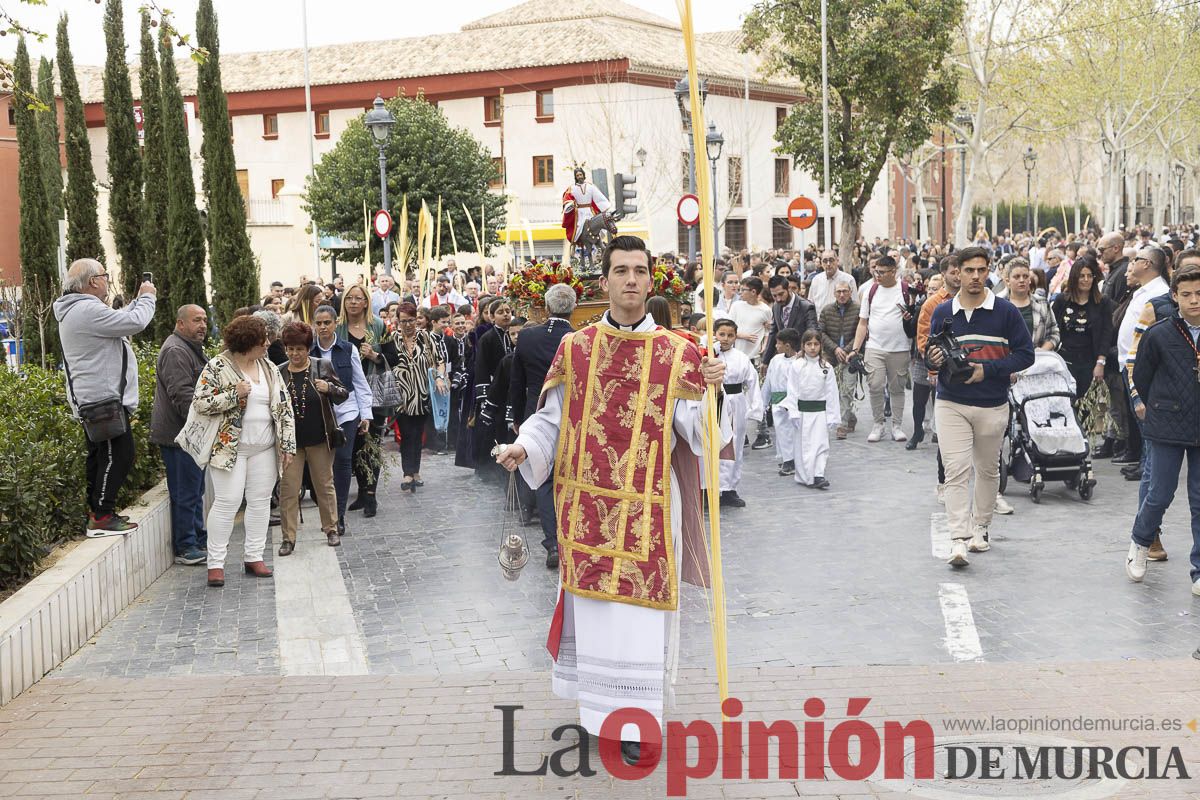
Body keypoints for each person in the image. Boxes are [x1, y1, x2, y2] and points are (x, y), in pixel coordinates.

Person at [495, 235, 727, 767]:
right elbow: (550, 419)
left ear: (651, 280)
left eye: (639, 271)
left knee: (638, 621)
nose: (629, 280)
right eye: (619, 270)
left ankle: (636, 723)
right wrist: (522, 446)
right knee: (598, 617)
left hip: (647, 510)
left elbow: (702, 437)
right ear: (604, 281)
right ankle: (599, 713)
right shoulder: (575, 348)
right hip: (584, 510)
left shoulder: (680, 351)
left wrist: (716, 388)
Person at [927, 247, 1035, 567]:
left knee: (988, 470)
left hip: (992, 403)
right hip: (951, 402)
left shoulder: (1005, 312)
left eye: (981, 270)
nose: (975, 277)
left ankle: (981, 527)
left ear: (988, 272)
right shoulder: (942, 311)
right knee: (956, 470)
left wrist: (986, 370)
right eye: (969, 270)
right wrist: (932, 359)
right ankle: (958, 538)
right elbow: (931, 353)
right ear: (956, 272)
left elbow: (1025, 355)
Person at [190, 315, 296, 587]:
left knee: (260, 501)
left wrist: (287, 444)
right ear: (249, 343)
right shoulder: (217, 366)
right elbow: (200, 404)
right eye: (264, 340)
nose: (269, 343)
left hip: (264, 448)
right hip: (229, 448)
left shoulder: (269, 367)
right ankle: (215, 564)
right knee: (227, 502)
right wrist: (232, 395)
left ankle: (254, 556)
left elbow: (284, 408)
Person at [54, 258, 156, 535]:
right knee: (119, 453)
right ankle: (101, 516)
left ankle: (98, 513)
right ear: (92, 282)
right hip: (102, 397)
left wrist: (136, 301)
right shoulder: (86, 309)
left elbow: (121, 321)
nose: (107, 279)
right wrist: (147, 298)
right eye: (104, 275)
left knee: (101, 456)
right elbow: (135, 322)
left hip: (96, 396)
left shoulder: (81, 309)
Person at [1124, 265, 1200, 593]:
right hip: (1167, 422)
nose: (1194, 300)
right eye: (1186, 295)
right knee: (1160, 493)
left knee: (1199, 499)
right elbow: (1141, 376)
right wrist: (1157, 406)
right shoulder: (1160, 333)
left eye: (1199, 293)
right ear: (1175, 297)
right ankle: (1140, 543)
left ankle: (1198, 570)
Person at [510, 284, 577, 567]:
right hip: (574, 415)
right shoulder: (579, 338)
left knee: (547, 480)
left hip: (536, 412)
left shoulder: (527, 337)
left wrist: (515, 417)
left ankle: (552, 543)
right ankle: (573, 538)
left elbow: (518, 380)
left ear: (546, 308)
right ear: (574, 309)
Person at [150, 304, 210, 565]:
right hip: (180, 437)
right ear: (180, 323)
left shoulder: (189, 348)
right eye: (197, 320)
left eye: (205, 320)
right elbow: (182, 395)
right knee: (185, 492)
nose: (203, 325)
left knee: (195, 491)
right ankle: (186, 545)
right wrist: (202, 423)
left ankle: (197, 537)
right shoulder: (176, 350)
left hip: (192, 436)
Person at [277, 321, 344, 552]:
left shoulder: (322, 365)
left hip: (320, 437)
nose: (295, 353)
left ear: (308, 348)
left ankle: (331, 528)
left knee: (324, 485)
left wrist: (329, 388)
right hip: (290, 442)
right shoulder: (280, 371)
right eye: (290, 348)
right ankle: (288, 538)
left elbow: (343, 393)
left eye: (300, 349)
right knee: (288, 488)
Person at [311, 306, 373, 536]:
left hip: (347, 411)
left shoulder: (348, 349)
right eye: (319, 323)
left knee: (343, 460)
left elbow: (359, 382)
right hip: (319, 413)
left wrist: (366, 414)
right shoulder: (308, 350)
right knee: (320, 465)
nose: (323, 327)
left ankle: (338, 516)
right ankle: (327, 512)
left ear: (335, 323)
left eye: (327, 322)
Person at [337, 284, 396, 518]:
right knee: (353, 447)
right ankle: (361, 492)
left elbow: (394, 356)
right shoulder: (338, 328)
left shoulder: (378, 326)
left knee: (371, 445)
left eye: (357, 298)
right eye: (348, 298)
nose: (353, 302)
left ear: (365, 302)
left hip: (374, 394)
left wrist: (375, 355)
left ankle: (371, 495)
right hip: (346, 396)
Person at [849, 255, 914, 443]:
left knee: (897, 388)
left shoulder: (905, 290)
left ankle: (897, 425)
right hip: (874, 347)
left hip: (900, 348)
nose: (877, 275)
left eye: (882, 272)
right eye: (876, 271)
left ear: (893, 271)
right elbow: (863, 322)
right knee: (875, 386)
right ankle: (878, 424)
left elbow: (913, 319)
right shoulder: (870, 290)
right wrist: (855, 349)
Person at [390, 302, 448, 492]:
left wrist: (440, 378)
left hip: (423, 393)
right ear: (398, 321)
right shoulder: (392, 339)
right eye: (403, 321)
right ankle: (408, 473)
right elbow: (384, 362)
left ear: (417, 320)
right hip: (402, 395)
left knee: (417, 434)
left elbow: (440, 361)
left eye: (411, 320)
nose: (407, 325)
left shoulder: (426, 337)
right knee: (406, 435)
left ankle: (415, 471)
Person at [781, 329, 840, 489]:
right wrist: (793, 412)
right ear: (803, 346)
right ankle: (806, 475)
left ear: (821, 346)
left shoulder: (826, 367)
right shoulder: (797, 365)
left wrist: (833, 416)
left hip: (820, 412)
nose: (812, 348)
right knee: (804, 446)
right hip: (802, 412)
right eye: (809, 344)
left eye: (816, 344)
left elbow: (831, 392)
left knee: (821, 444)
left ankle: (818, 474)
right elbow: (792, 390)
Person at [713, 318, 763, 507]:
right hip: (715, 400)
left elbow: (752, 381)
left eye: (730, 335)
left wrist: (755, 407)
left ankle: (729, 489)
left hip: (736, 403)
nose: (725, 339)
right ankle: (710, 488)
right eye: (721, 334)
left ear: (736, 337)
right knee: (714, 443)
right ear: (715, 334)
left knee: (735, 444)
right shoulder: (709, 354)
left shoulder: (741, 358)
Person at [1051, 255, 1113, 398]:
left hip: (1090, 362)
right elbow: (1052, 329)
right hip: (1064, 360)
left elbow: (1106, 334)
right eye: (1081, 276)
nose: (1086, 280)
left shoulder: (1102, 302)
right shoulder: (1062, 300)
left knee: (1086, 407)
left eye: (1089, 276)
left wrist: (1101, 362)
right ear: (1074, 278)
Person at [472, 299, 516, 478]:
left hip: (511, 389)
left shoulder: (516, 334)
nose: (505, 314)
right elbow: (480, 367)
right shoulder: (487, 338)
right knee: (492, 430)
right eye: (500, 312)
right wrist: (484, 398)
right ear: (491, 317)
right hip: (493, 390)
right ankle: (488, 469)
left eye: (508, 310)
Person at [819, 283, 861, 440]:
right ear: (834, 293)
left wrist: (848, 349)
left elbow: (861, 332)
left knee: (847, 389)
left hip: (852, 355)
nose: (842, 294)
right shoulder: (827, 310)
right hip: (831, 355)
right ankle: (849, 416)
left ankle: (841, 424)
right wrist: (835, 348)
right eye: (839, 292)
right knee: (833, 389)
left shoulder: (858, 309)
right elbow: (821, 332)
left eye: (845, 291)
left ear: (850, 292)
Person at [762, 328, 802, 475]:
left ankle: (791, 461)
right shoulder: (775, 360)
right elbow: (768, 383)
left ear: (788, 345)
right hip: (777, 402)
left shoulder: (798, 362)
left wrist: (790, 402)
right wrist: (763, 403)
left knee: (789, 431)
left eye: (779, 344)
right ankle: (786, 458)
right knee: (781, 432)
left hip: (790, 403)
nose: (776, 346)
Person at [1003, 258, 1061, 350]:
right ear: (1008, 281)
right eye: (1016, 277)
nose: (1022, 280)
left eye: (1025, 276)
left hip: (1038, 360)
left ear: (1030, 280)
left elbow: (1053, 333)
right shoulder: (998, 305)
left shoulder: (1042, 303)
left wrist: (1042, 351)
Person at [730, 277, 773, 360]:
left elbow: (768, 331)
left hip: (755, 356)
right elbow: (728, 328)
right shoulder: (736, 306)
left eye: (743, 290)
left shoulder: (766, 310)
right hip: (737, 354)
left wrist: (765, 345)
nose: (740, 293)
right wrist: (743, 336)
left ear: (753, 292)